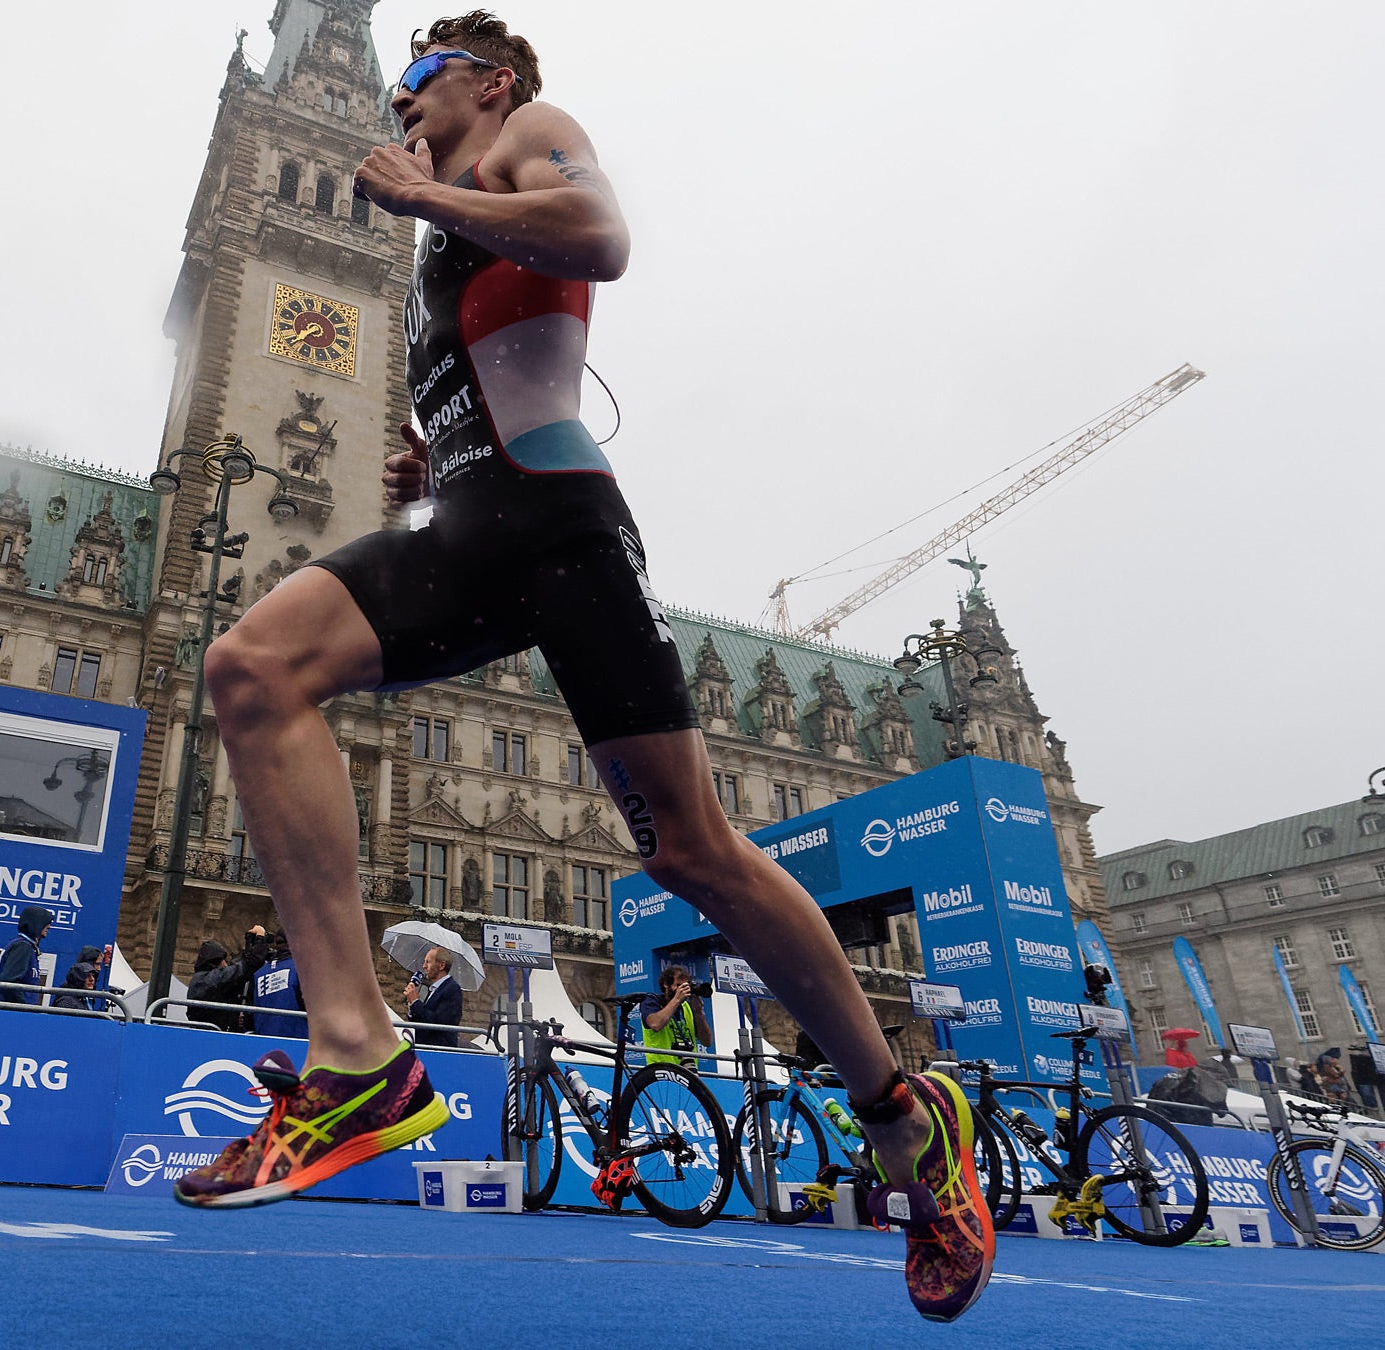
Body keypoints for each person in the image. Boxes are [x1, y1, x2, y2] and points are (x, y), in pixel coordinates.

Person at [176, 11, 993, 1320]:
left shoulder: (529, 135)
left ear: (486, 83)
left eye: (417, 76)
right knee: (251, 669)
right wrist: (428, 459)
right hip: (476, 518)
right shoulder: (446, 226)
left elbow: (601, 238)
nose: (397, 101)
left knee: (692, 852)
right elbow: (503, 362)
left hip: (559, 526)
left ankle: (904, 1107)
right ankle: (358, 1053)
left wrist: (424, 189)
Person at [186, 935, 262, 1032]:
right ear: (218, 961)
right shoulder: (211, 979)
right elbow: (244, 968)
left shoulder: (199, 980)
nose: (226, 965)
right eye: (224, 961)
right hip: (214, 1037)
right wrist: (260, 940)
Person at [0, 904, 55, 1005]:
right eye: (45, 923)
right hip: (11, 1013)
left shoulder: (26, 946)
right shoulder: (22, 947)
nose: (49, 926)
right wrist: (23, 1005)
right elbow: (9, 981)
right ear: (36, 923)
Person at [641, 965, 705, 1068]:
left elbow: (706, 1041)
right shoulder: (652, 1001)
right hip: (660, 1071)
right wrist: (676, 999)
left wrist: (699, 1012)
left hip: (687, 1072)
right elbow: (655, 1024)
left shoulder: (687, 1007)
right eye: (679, 986)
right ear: (666, 984)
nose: (682, 991)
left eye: (685, 987)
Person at [248, 931, 305, 1039]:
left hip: (264, 1044)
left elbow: (249, 1017)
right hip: (299, 1043)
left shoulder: (259, 974)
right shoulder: (302, 969)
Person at [404, 947, 464, 1047]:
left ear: (441, 965)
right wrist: (412, 1007)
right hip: (424, 1047)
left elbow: (438, 1023)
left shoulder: (452, 989)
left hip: (439, 1050)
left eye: (428, 962)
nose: (424, 966)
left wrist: (416, 1002)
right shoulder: (434, 989)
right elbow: (422, 1020)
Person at [51, 945, 108, 1011]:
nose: (99, 968)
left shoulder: (85, 993)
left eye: (93, 975)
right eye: (97, 964)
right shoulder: (67, 999)